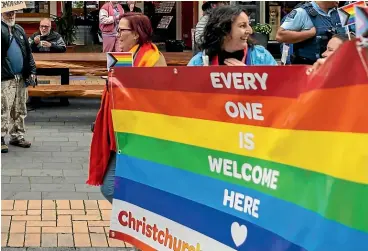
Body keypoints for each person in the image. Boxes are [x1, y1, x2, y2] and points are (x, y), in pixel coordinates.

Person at [87, 12, 167, 203]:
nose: (117, 34)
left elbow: (160, 100)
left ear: (137, 34)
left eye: (121, 30)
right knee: (116, 187)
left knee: (110, 187)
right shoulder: (125, 57)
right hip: (121, 133)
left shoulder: (154, 59)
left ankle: (140, 217)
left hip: (140, 136)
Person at [188, 5, 277, 66]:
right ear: (224, 31)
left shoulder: (262, 57)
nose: (250, 31)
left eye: (249, 24)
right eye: (242, 25)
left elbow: (278, 89)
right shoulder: (199, 62)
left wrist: (250, 77)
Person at [1, 10, 36, 153]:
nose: (11, 15)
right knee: (4, 108)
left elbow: (28, 52)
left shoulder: (19, 29)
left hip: (21, 76)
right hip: (5, 77)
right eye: (8, 13)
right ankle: (1, 137)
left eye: (13, 13)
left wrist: (32, 71)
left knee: (20, 107)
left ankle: (17, 135)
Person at [276, 1, 345, 65]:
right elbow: (280, 36)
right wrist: (309, 33)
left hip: (334, 67)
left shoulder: (340, 13)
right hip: (308, 68)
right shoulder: (302, 12)